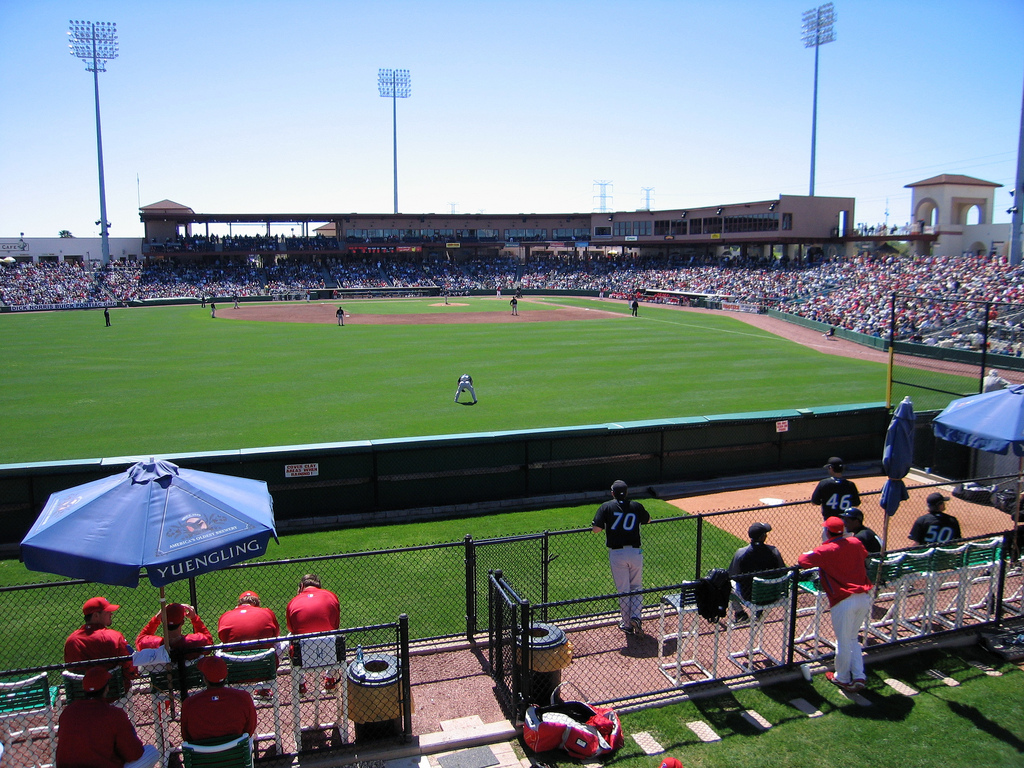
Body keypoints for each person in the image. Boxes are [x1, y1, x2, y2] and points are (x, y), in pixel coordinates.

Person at [798, 517, 873, 692]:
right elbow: (863, 553)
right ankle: (859, 676)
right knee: (853, 638)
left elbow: (803, 560)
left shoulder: (825, 550)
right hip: (863, 597)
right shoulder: (855, 542)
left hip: (844, 601)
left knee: (844, 641)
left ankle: (843, 678)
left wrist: (820, 549)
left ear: (827, 532)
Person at [56, 666, 160, 768]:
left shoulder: (68, 712)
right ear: (106, 688)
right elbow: (134, 754)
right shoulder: (115, 714)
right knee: (152, 752)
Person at [592, 480, 651, 634]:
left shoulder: (606, 506)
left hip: (617, 554)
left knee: (623, 590)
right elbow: (648, 519)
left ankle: (627, 624)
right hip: (635, 552)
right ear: (627, 492)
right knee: (636, 586)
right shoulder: (636, 506)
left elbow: (596, 529)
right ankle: (636, 616)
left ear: (612, 493)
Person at [180, 655, 257, 744]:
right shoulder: (243, 698)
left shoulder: (189, 704)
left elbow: (186, 737)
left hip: (202, 756)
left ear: (205, 679)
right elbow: (249, 730)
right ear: (225, 675)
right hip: (237, 755)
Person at [287, 574, 341, 690]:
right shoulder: (331, 596)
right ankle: (330, 679)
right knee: (336, 635)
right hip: (329, 651)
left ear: (301, 586)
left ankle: (300, 684)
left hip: (303, 655)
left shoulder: (293, 602)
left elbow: (292, 629)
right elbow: (335, 625)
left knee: (290, 638)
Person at [64, 596, 136, 681]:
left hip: (81, 692)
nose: (111, 614)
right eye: (107, 612)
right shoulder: (114, 637)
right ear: (96, 615)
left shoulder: (72, 640)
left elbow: (71, 669)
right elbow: (129, 667)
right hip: (115, 691)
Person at [728, 522, 785, 609]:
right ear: (763, 537)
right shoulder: (774, 551)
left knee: (727, 584)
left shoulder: (741, 553)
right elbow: (783, 572)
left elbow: (733, 575)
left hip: (749, 597)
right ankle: (759, 613)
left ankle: (740, 613)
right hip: (773, 595)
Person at [135, 603, 213, 660]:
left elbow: (140, 640)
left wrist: (156, 619)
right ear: (182, 622)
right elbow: (209, 643)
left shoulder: (154, 644)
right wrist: (195, 618)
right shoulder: (194, 642)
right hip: (189, 681)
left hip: (163, 681)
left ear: (162, 620)